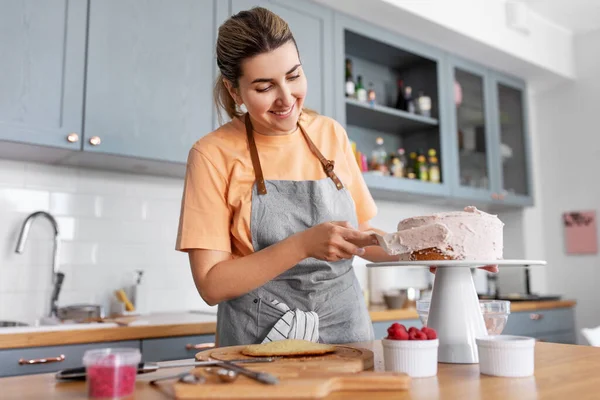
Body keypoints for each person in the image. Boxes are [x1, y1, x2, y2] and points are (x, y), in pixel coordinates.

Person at [176, 7, 496, 347]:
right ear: (235, 91)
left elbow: (359, 236)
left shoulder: (329, 134)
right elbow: (211, 284)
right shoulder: (211, 154)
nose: (287, 98)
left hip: (347, 336)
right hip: (259, 345)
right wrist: (303, 245)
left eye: (294, 75)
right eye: (264, 86)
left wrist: (434, 249)